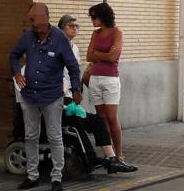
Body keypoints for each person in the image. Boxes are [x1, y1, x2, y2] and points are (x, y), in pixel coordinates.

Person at [10, 3, 81, 191]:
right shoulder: (27, 37)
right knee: (31, 136)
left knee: (55, 136)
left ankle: (56, 177)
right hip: (30, 95)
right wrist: (17, 73)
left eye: (36, 19)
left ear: (46, 18)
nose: (33, 23)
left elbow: (73, 66)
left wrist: (76, 89)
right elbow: (14, 55)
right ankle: (32, 176)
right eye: (31, 19)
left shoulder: (59, 38)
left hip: (52, 95)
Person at [57, 14, 135, 174]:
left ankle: (112, 158)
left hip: (70, 96)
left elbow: (74, 71)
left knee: (98, 121)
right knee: (77, 122)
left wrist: (76, 89)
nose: (75, 29)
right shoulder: (55, 47)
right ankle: (91, 157)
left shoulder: (74, 48)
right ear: (61, 28)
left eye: (77, 26)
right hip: (56, 99)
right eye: (71, 26)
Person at [84, 2, 131, 166]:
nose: (92, 20)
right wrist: (102, 54)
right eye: (91, 17)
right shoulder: (95, 34)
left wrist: (97, 54)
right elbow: (88, 56)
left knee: (112, 117)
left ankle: (119, 154)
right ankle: (108, 154)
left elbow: (112, 58)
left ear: (103, 16)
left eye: (94, 17)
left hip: (110, 79)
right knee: (101, 118)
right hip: (95, 79)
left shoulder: (117, 32)